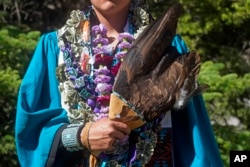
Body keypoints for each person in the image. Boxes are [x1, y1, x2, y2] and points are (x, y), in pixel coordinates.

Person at [15, 0, 224, 166]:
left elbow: (193, 139)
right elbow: (32, 131)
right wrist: (79, 135)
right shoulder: (55, 48)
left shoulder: (167, 48)